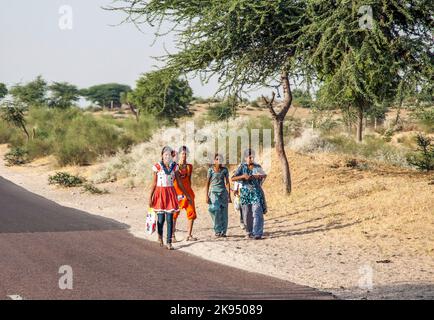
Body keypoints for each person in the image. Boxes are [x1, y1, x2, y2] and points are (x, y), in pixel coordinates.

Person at [149, 146, 192, 250]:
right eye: (165, 154)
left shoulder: (174, 167)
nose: (167, 156)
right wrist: (150, 197)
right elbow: (154, 183)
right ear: (162, 155)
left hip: (170, 193)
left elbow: (180, 183)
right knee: (160, 220)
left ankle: (169, 242)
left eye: (169, 154)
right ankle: (160, 236)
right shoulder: (157, 167)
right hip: (160, 194)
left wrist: (187, 194)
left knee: (169, 219)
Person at [231, 148, 267, 240]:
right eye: (249, 157)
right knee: (247, 213)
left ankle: (257, 233)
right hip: (245, 192)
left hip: (256, 192)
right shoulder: (242, 167)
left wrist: (259, 176)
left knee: (257, 211)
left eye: (252, 157)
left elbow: (264, 175)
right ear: (245, 158)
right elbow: (233, 178)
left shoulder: (257, 166)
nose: (251, 159)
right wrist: (243, 176)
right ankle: (249, 232)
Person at [172, 145, 198, 242]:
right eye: (182, 153)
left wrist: (189, 193)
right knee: (174, 214)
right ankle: (172, 235)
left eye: (186, 153)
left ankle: (189, 235)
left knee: (192, 212)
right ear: (179, 154)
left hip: (188, 192)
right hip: (177, 193)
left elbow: (189, 180)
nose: (184, 155)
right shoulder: (175, 167)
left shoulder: (189, 167)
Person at [206, 153, 231, 237]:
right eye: (217, 159)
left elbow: (227, 182)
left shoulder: (224, 170)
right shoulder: (211, 170)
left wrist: (229, 196)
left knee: (224, 212)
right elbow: (207, 183)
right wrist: (206, 196)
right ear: (214, 160)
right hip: (213, 192)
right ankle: (217, 229)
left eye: (220, 159)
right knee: (215, 209)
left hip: (223, 192)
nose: (218, 161)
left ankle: (223, 231)